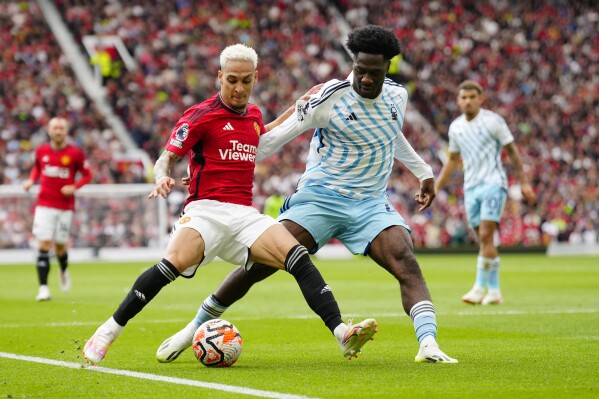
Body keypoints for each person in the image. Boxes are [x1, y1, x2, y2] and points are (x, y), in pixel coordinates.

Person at [157, 25, 458, 364]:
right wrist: (211, 160)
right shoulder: (328, 97)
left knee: (406, 261)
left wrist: (424, 172)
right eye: (360, 71)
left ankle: (428, 345)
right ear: (353, 64)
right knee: (260, 264)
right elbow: (268, 143)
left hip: (371, 203)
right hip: (320, 199)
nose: (366, 80)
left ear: (388, 67)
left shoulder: (398, 96)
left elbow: (391, 134)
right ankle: (193, 328)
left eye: (374, 73)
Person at [83, 44, 377, 365]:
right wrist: (161, 177)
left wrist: (298, 106)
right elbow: (166, 158)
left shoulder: (253, 115)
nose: (239, 88)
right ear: (219, 77)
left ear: (255, 78)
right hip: (205, 211)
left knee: (297, 256)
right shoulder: (200, 115)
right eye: (232, 80)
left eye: (246, 81)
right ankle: (108, 331)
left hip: (244, 215)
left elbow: (260, 138)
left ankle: (342, 334)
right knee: (171, 265)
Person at [435, 80, 536, 305]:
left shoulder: (493, 121)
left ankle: (479, 288)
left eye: (473, 97)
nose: (468, 101)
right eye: (464, 97)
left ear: (481, 99)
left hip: (493, 183)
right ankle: (495, 291)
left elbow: (512, 151)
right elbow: (452, 161)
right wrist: (435, 188)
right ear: (458, 100)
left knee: (486, 236)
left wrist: (524, 182)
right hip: (471, 187)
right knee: (485, 241)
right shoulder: (456, 127)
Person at [23, 117, 93, 301]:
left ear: (66, 131)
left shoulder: (75, 153)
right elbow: (37, 168)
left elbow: (87, 175)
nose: (58, 131)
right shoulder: (41, 151)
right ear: (49, 130)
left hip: (65, 207)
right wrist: (31, 180)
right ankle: (44, 288)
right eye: (55, 128)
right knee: (44, 245)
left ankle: (63, 269)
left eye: (61, 128)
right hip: (44, 205)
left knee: (60, 247)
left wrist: (74, 187)